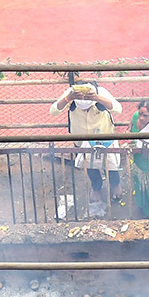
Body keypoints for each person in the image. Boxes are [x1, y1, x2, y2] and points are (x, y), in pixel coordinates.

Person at [50, 81, 124, 218]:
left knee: (111, 164)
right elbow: (53, 111)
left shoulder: (100, 92)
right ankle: (96, 187)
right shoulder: (71, 94)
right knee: (90, 165)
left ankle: (115, 185)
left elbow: (118, 109)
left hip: (105, 136)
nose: (84, 110)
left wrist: (97, 98)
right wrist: (68, 98)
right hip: (82, 139)